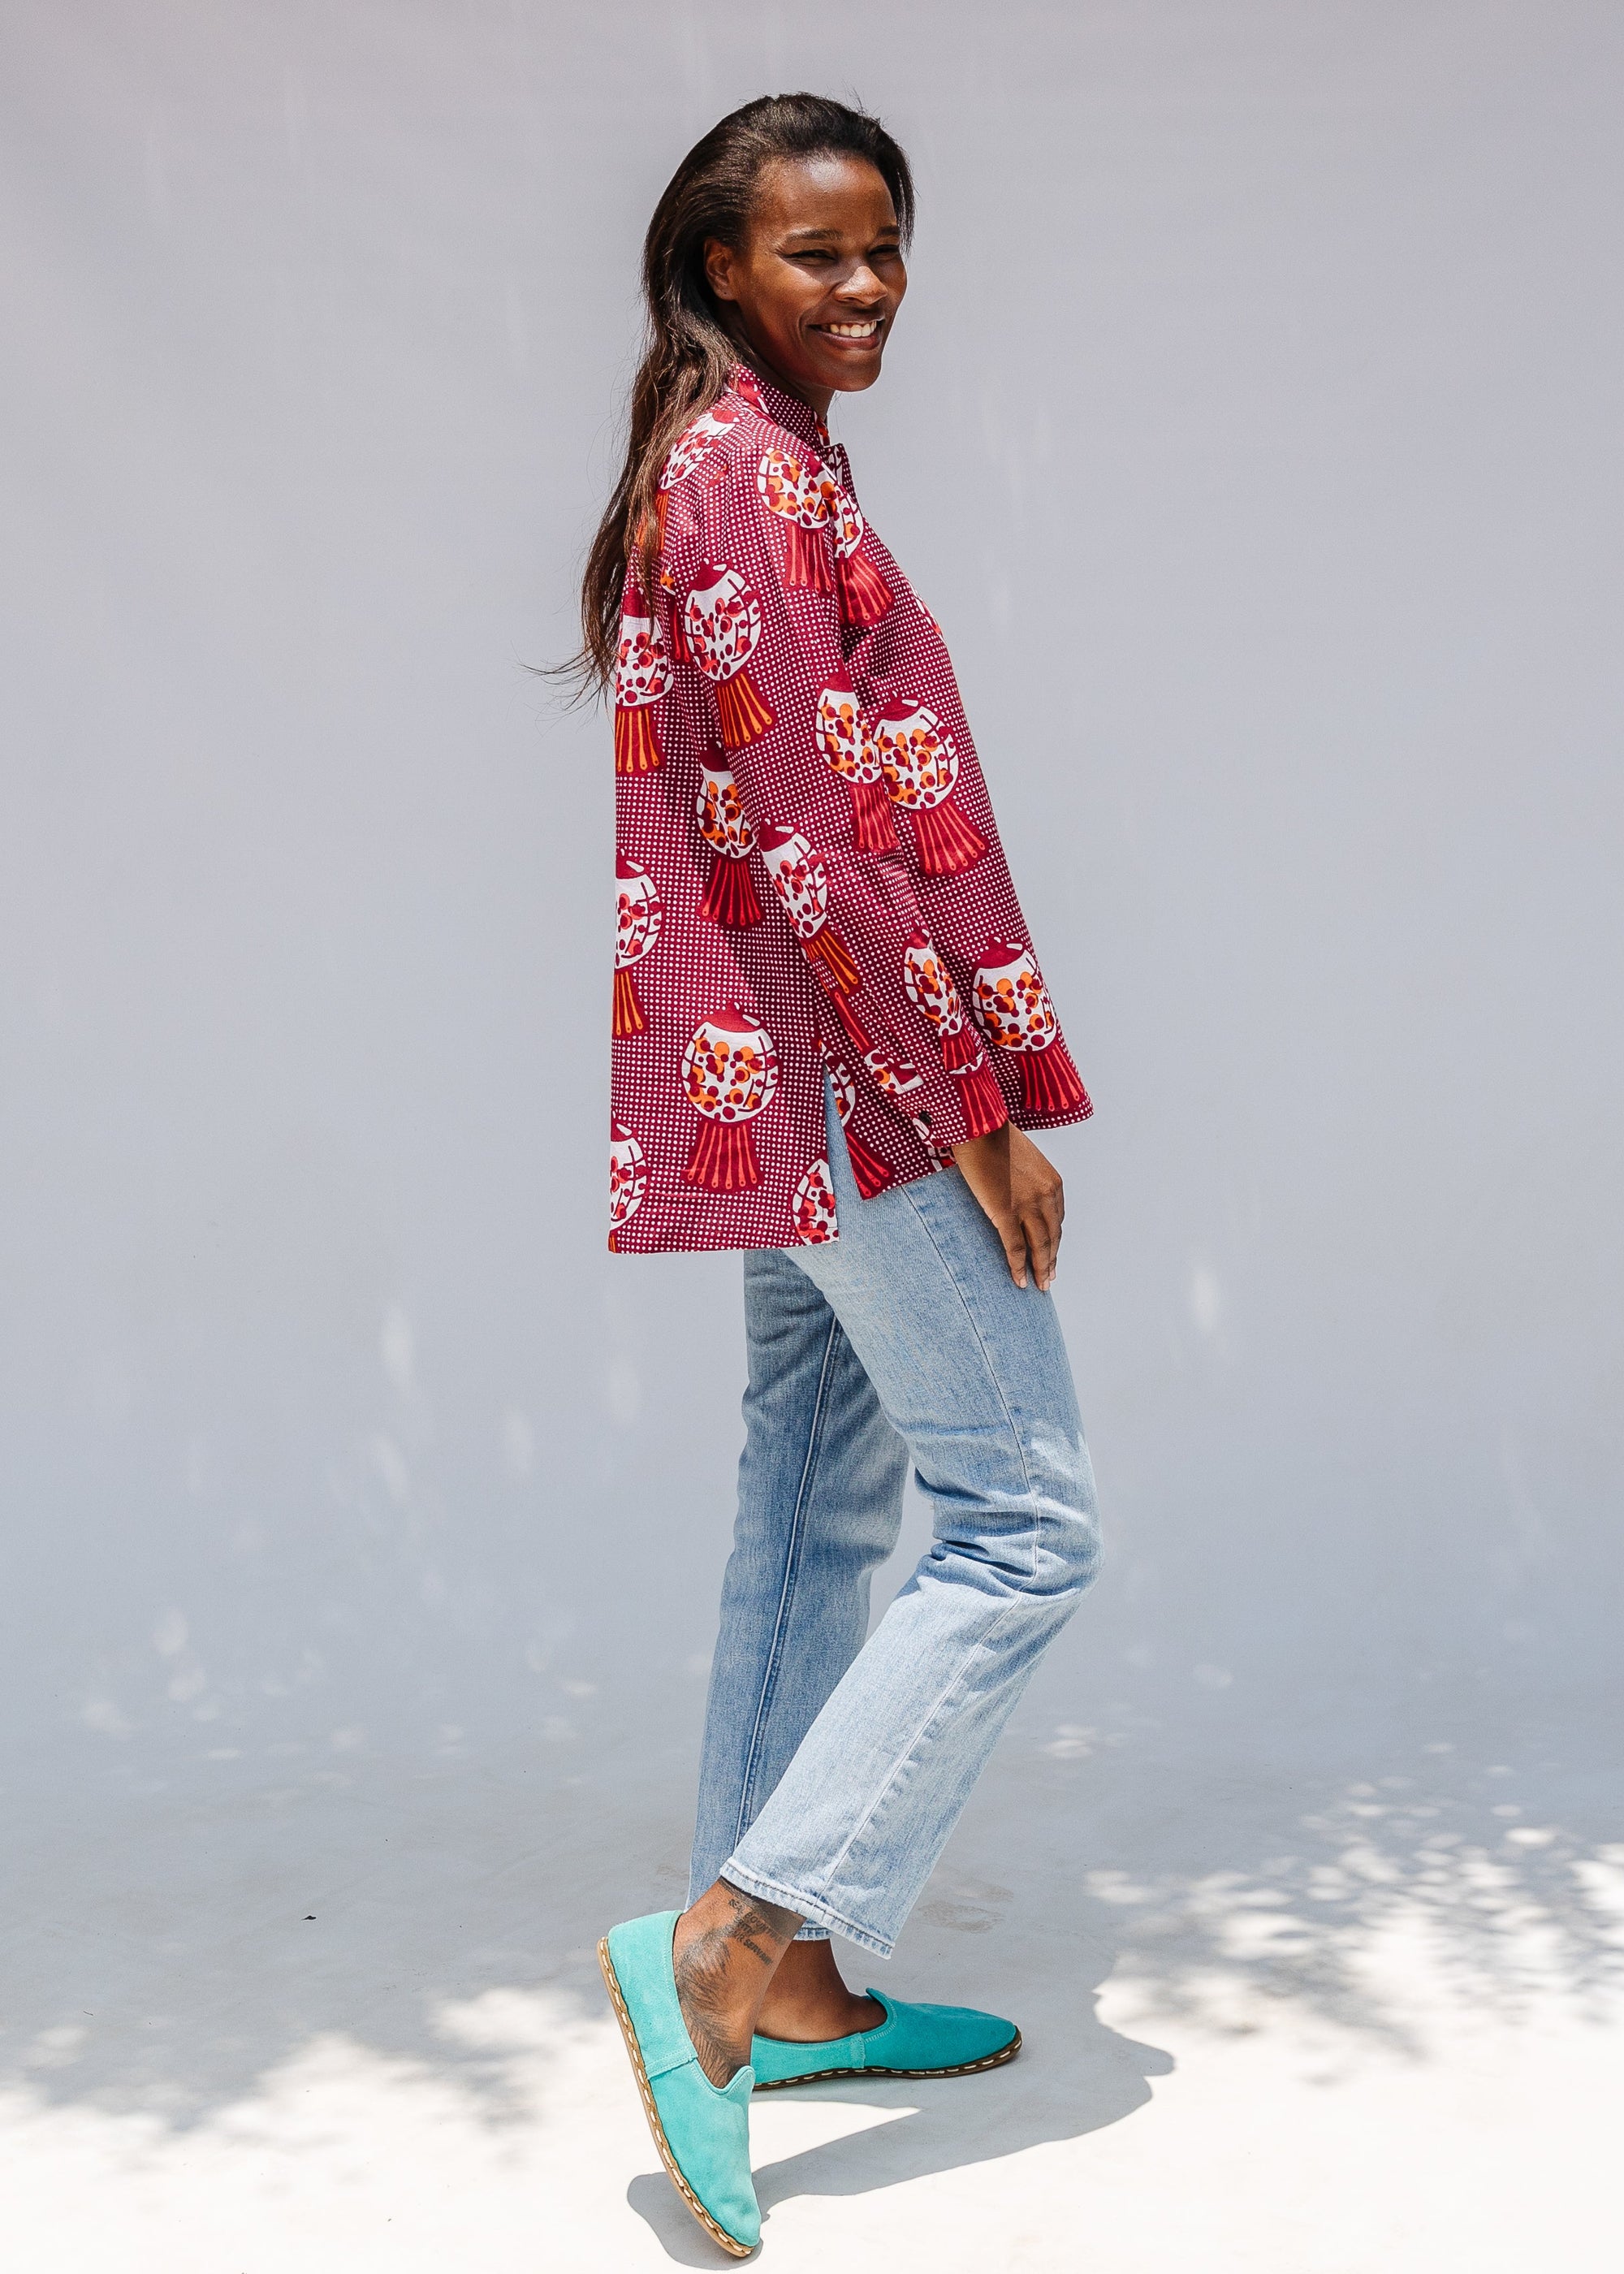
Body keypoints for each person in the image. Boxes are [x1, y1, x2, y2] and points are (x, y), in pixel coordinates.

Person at [578, 93, 1101, 2257]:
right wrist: (969, 1108)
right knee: (1025, 1523)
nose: (866, 288)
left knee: (821, 1484)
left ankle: (786, 1985)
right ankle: (734, 1927)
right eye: (817, 254)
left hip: (793, 1087)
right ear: (720, 265)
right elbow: (814, 833)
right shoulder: (733, 481)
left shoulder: (767, 460)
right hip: (853, 1081)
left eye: (885, 248)